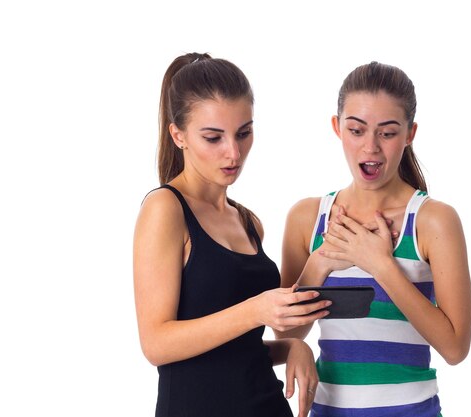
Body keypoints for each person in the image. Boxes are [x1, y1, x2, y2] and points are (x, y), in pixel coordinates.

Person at [133, 52, 330, 417]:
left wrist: (290, 348)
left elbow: (236, 350)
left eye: (244, 133)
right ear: (178, 135)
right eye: (213, 137)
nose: (234, 152)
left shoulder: (248, 222)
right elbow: (156, 343)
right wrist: (256, 310)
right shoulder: (166, 209)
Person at [276, 62, 471, 417]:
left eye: (387, 132)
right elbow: (286, 334)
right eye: (356, 130)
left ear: (410, 133)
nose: (371, 147)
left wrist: (381, 265)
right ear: (337, 128)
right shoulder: (307, 217)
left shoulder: (434, 221)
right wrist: (320, 261)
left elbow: (455, 348)